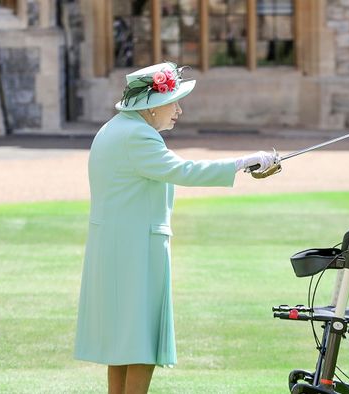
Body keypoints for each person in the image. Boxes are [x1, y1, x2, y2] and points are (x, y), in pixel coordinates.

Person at [74, 62, 277, 394]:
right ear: (151, 106)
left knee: (122, 342)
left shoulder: (115, 128)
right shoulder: (137, 135)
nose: (179, 109)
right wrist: (245, 162)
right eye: (174, 101)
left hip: (117, 249)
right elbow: (185, 171)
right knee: (140, 342)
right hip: (135, 251)